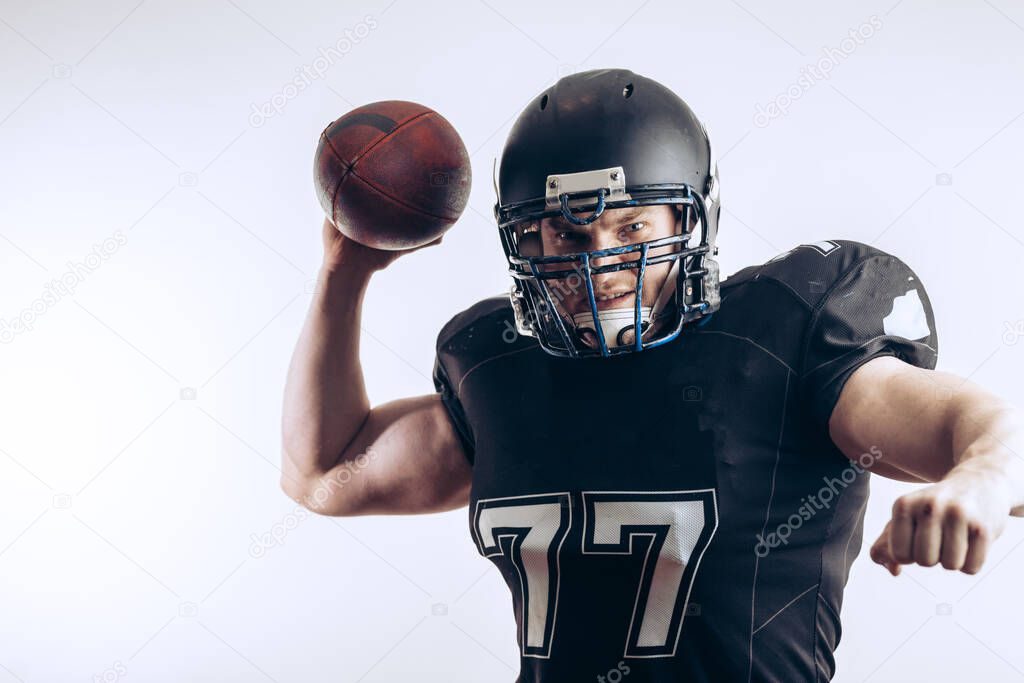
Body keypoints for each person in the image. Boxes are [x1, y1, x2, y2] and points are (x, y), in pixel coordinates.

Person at [281, 69, 1024, 682]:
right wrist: (343, 270)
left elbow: (985, 425)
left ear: (689, 223)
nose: (598, 259)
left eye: (631, 226)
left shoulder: (779, 338)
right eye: (566, 232)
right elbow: (323, 472)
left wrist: (981, 478)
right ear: (522, 239)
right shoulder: (498, 369)